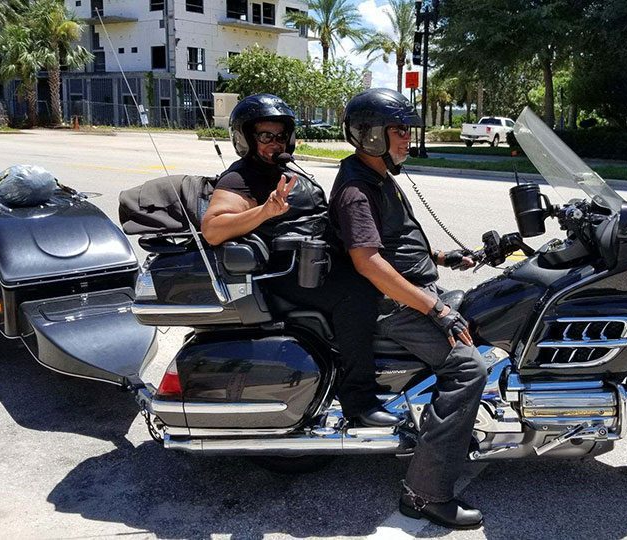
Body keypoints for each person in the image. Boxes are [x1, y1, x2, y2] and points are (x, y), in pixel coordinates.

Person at [328, 88, 486, 530]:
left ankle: (454, 431)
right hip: (393, 306)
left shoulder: (378, 176)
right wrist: (436, 310)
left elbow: (392, 243)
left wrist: (440, 257)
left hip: (407, 290)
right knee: (468, 369)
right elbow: (368, 261)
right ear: (370, 135)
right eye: (398, 130)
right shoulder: (357, 188)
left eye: (407, 130)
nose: (407, 139)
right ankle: (425, 494)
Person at [200, 93, 399, 428]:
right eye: (265, 136)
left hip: (316, 262)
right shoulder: (241, 177)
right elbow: (213, 228)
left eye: (280, 136)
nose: (275, 143)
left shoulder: (286, 169)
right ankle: (359, 401)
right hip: (286, 274)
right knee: (358, 294)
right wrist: (265, 211)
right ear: (246, 139)